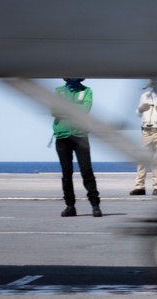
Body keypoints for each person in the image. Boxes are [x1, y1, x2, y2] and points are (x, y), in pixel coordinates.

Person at [51, 78, 102, 218]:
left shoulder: (86, 90)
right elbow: (53, 110)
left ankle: (95, 205)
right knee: (66, 174)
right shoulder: (59, 91)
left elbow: (85, 110)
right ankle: (70, 206)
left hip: (80, 136)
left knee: (86, 171)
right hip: (62, 136)